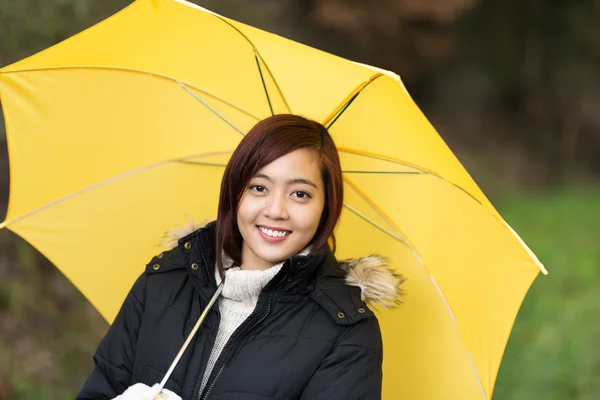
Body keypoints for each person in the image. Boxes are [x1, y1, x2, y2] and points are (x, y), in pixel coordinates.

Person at [76, 114, 404, 400]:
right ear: (235, 191)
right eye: (259, 187)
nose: (275, 210)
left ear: (326, 208)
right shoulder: (165, 280)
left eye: (300, 194)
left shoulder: (346, 333)